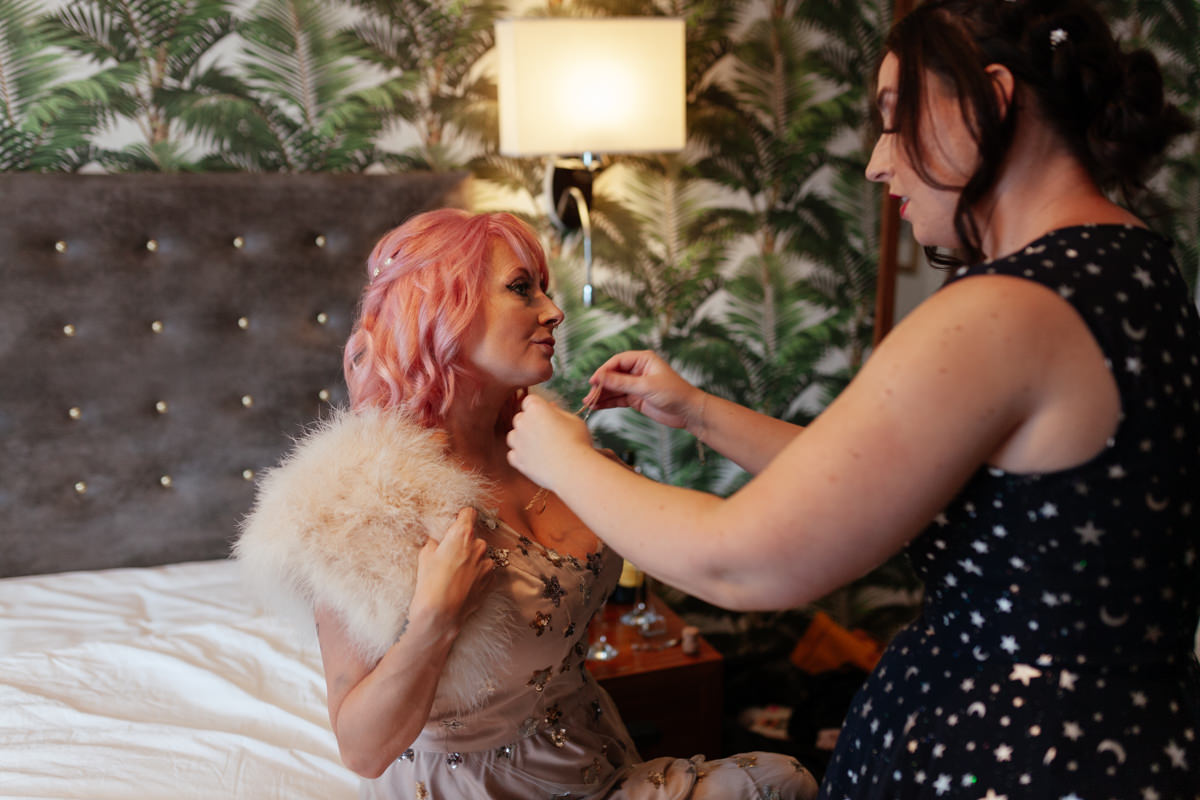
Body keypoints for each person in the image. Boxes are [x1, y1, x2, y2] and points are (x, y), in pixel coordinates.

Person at [505, 1, 1200, 797]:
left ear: (991, 99)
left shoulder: (1007, 307)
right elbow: (892, 478)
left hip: (1016, 765)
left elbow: (740, 562)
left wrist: (564, 459)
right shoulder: (1133, 262)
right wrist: (696, 410)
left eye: (891, 119)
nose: (876, 162)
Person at [234, 209, 818, 800]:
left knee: (783, 781)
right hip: (472, 788)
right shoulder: (362, 498)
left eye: (544, 289)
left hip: (596, 757)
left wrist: (688, 412)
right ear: (443, 309)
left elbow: (709, 547)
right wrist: (433, 622)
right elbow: (361, 750)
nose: (554, 311)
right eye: (521, 288)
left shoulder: (552, 447)